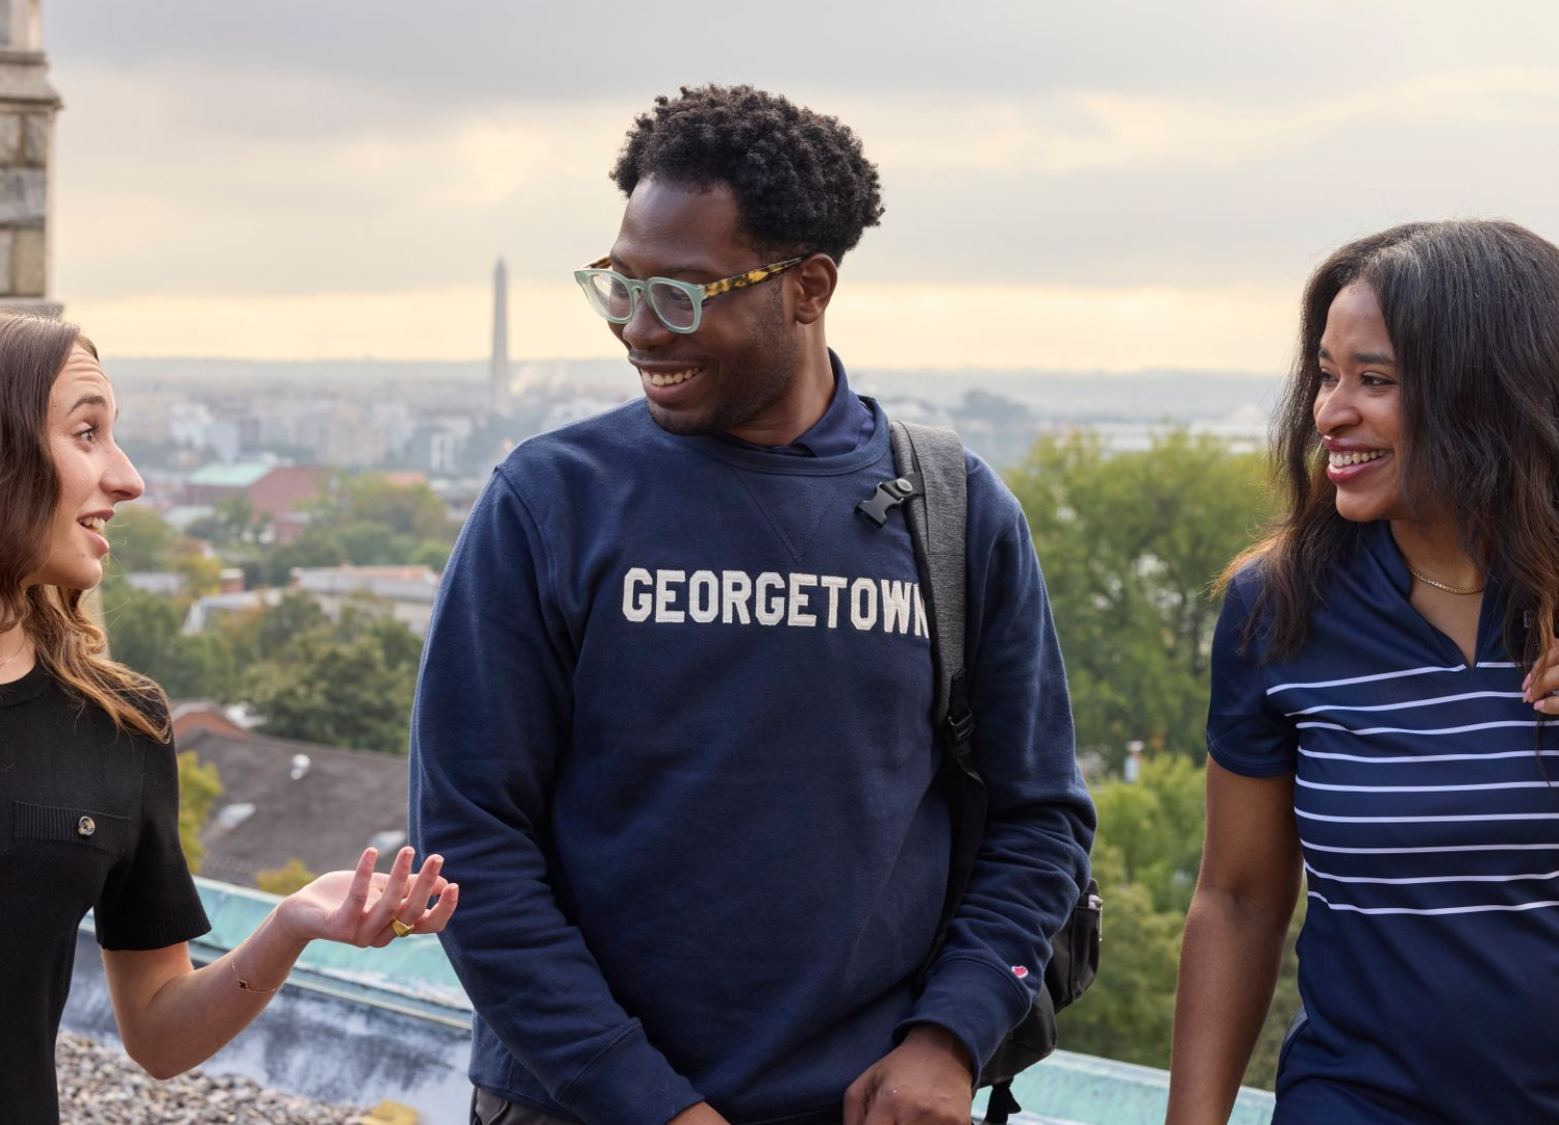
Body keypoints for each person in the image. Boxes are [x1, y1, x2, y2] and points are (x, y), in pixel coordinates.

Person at [411, 85, 1094, 1125]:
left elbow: (1037, 822)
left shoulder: (955, 515)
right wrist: (644, 1101)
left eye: (681, 296)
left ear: (807, 288)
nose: (638, 330)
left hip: (870, 1104)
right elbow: (470, 841)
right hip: (578, 1106)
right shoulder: (549, 502)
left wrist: (948, 1039)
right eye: (619, 287)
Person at [0, 312, 459, 1123]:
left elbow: (159, 1035)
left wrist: (289, 925)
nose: (128, 479)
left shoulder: (125, 724)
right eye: (87, 433)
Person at [1167, 220, 1559, 1125]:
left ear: (1496, 394)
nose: (1329, 413)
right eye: (1326, 375)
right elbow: (1239, 897)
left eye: (1376, 380)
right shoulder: (1275, 606)